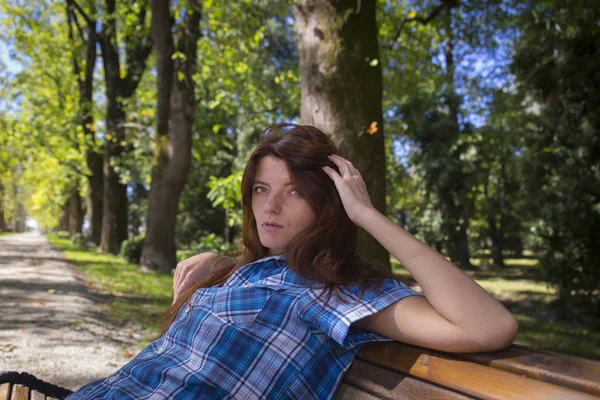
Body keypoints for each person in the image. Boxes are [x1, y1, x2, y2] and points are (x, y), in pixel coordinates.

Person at [66, 123, 518, 399]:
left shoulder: (337, 291)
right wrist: (224, 264)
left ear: (328, 204)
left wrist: (366, 215)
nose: (270, 208)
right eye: (261, 190)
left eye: (294, 192)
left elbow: (487, 326)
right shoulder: (243, 273)